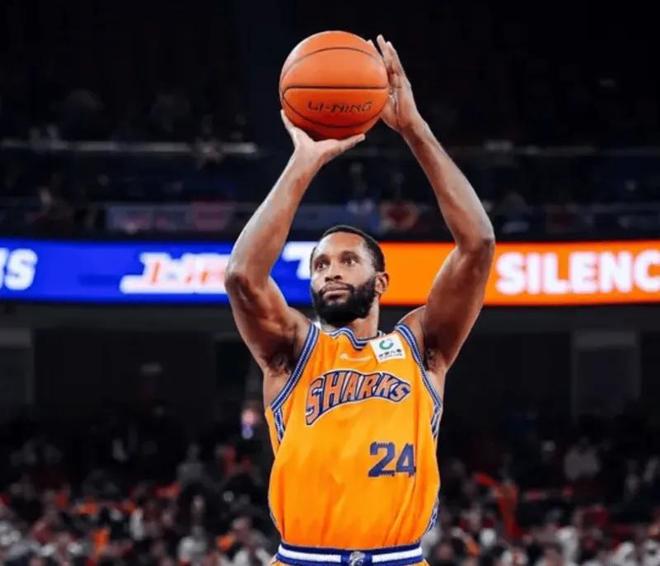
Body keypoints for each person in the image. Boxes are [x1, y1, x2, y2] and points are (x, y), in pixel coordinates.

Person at [226, 34, 495, 566]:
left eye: (348, 260)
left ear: (381, 281)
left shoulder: (422, 348)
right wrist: (303, 162)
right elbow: (242, 276)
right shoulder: (292, 351)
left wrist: (414, 129)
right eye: (320, 264)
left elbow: (478, 245)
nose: (330, 270)